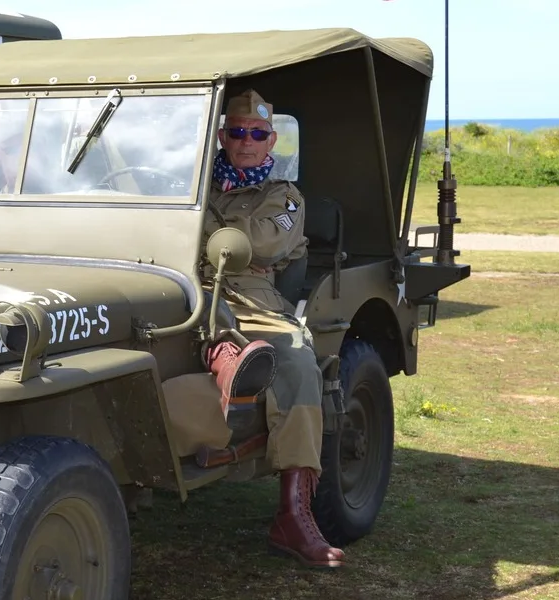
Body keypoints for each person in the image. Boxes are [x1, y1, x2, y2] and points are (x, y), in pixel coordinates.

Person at [201, 88, 345, 569]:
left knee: (299, 364)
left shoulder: (284, 197)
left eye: (256, 134)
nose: (246, 142)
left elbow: (259, 244)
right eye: (237, 132)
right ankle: (222, 365)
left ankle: (293, 515)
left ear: (271, 141)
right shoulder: (193, 186)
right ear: (221, 136)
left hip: (249, 297)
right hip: (181, 286)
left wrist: (200, 225)